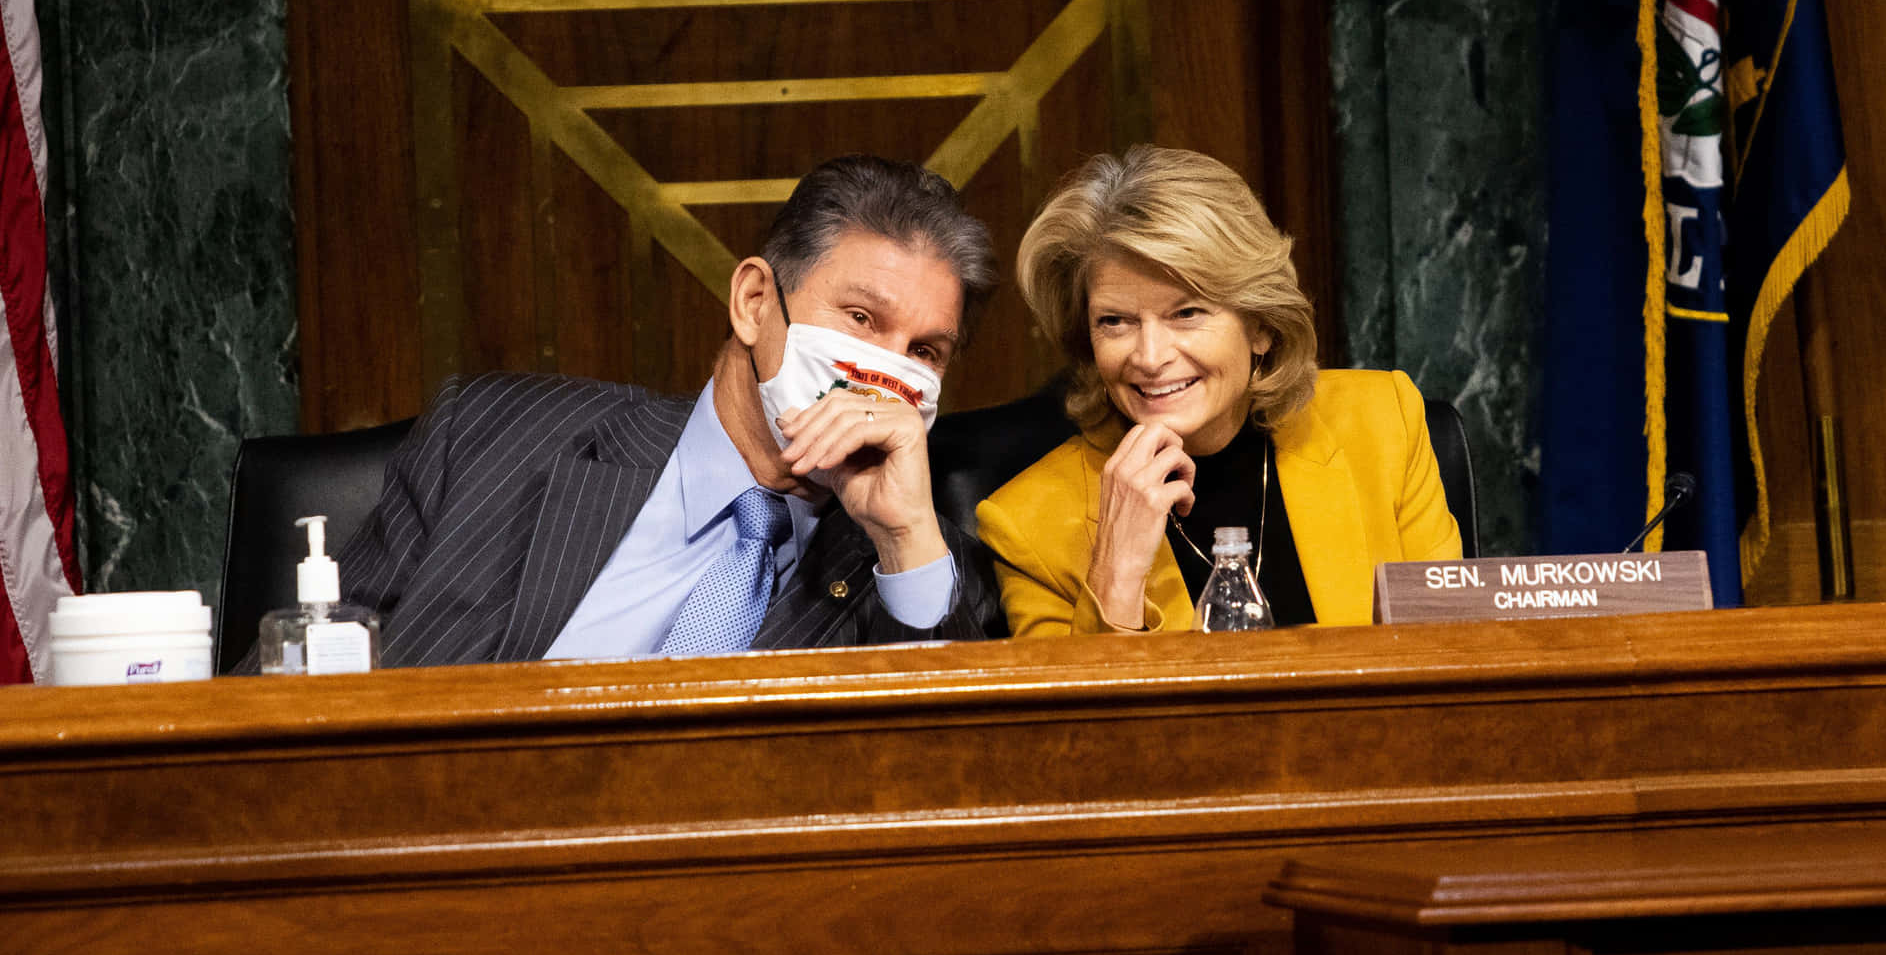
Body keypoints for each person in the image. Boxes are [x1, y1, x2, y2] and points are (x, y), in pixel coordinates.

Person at [247, 156, 1004, 669]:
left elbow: (943, 785)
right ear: (752, 302)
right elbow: (286, 697)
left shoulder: (932, 574)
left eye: (926, 352)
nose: (888, 373)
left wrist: (900, 537)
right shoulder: (491, 437)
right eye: (863, 321)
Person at [975, 145, 1461, 635]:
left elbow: (1454, 655)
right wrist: (1116, 573)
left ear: (1261, 326)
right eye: (1115, 321)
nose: (1148, 356)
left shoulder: (1382, 423)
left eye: (1186, 313)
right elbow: (1073, 714)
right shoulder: (1026, 524)